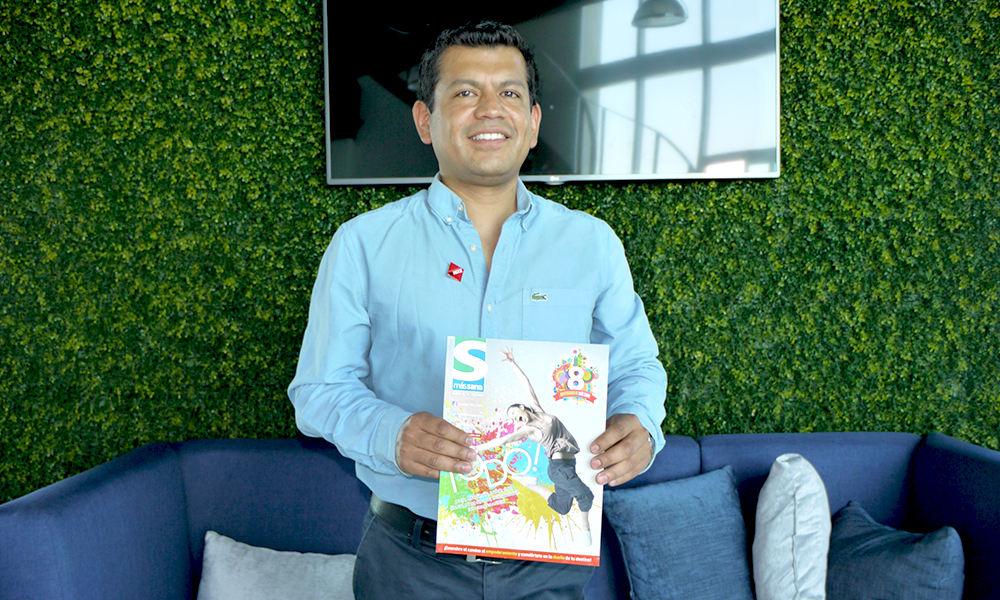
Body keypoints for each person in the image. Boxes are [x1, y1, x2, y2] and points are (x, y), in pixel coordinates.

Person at [288, 20, 667, 600]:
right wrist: (392, 433)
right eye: (465, 92)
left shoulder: (592, 244)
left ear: (532, 122)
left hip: (549, 553)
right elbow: (318, 391)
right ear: (424, 120)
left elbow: (636, 365)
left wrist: (640, 423)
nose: (491, 108)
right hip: (408, 562)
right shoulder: (362, 245)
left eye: (509, 92)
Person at [474, 347, 596, 546]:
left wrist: (512, 362)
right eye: (512, 419)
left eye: (515, 414)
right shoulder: (529, 430)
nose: (515, 419)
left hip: (569, 465)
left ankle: (531, 484)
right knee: (585, 496)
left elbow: (526, 383)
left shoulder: (539, 411)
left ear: (522, 408)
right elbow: (502, 441)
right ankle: (586, 529)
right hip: (559, 469)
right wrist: (478, 449)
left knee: (562, 507)